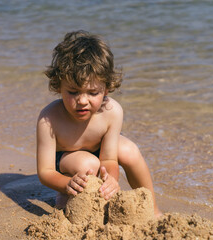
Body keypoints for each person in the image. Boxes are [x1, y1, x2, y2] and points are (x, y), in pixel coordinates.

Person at [36, 30, 162, 217]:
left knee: (129, 151)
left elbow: (109, 159)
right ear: (58, 85)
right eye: (72, 92)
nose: (82, 101)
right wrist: (65, 184)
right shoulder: (49, 119)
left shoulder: (112, 112)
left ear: (107, 88)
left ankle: (151, 208)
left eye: (93, 93)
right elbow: (45, 172)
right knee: (88, 163)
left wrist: (111, 179)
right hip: (67, 161)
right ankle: (70, 199)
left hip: (101, 153)